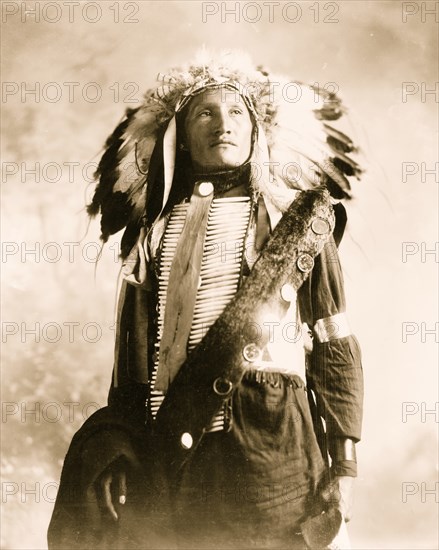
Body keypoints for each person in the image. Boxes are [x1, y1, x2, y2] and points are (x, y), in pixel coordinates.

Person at [48, 51, 363, 550]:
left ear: (257, 129)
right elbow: (131, 365)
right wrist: (119, 448)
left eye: (237, 111)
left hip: (273, 442)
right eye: (205, 112)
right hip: (172, 444)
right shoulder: (152, 233)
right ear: (180, 133)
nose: (224, 124)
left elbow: (335, 344)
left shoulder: (298, 222)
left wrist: (344, 464)